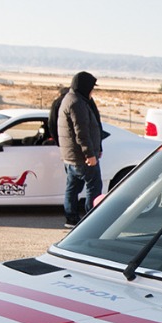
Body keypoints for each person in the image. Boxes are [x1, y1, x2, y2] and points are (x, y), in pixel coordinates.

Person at [57, 71, 107, 228]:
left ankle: (71, 219)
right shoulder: (77, 103)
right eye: (92, 88)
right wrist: (90, 154)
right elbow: (82, 132)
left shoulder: (70, 99)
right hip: (81, 157)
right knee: (94, 186)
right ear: (85, 87)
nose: (93, 91)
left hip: (71, 156)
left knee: (72, 187)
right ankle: (91, 220)